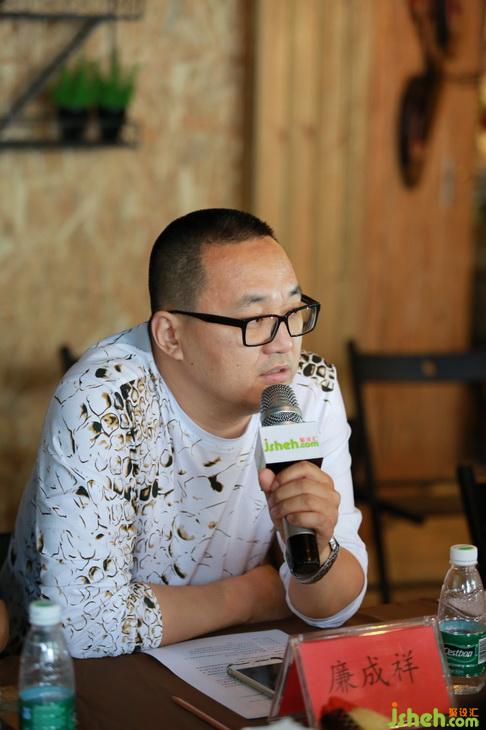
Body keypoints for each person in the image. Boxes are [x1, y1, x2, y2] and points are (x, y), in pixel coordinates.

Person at [1, 208, 367, 658]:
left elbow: (332, 608)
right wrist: (252, 597)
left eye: (293, 311)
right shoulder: (105, 401)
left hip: (219, 654)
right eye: (254, 320)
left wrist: (321, 552)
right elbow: (83, 626)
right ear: (171, 336)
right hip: (61, 672)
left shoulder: (308, 390)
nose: (284, 343)